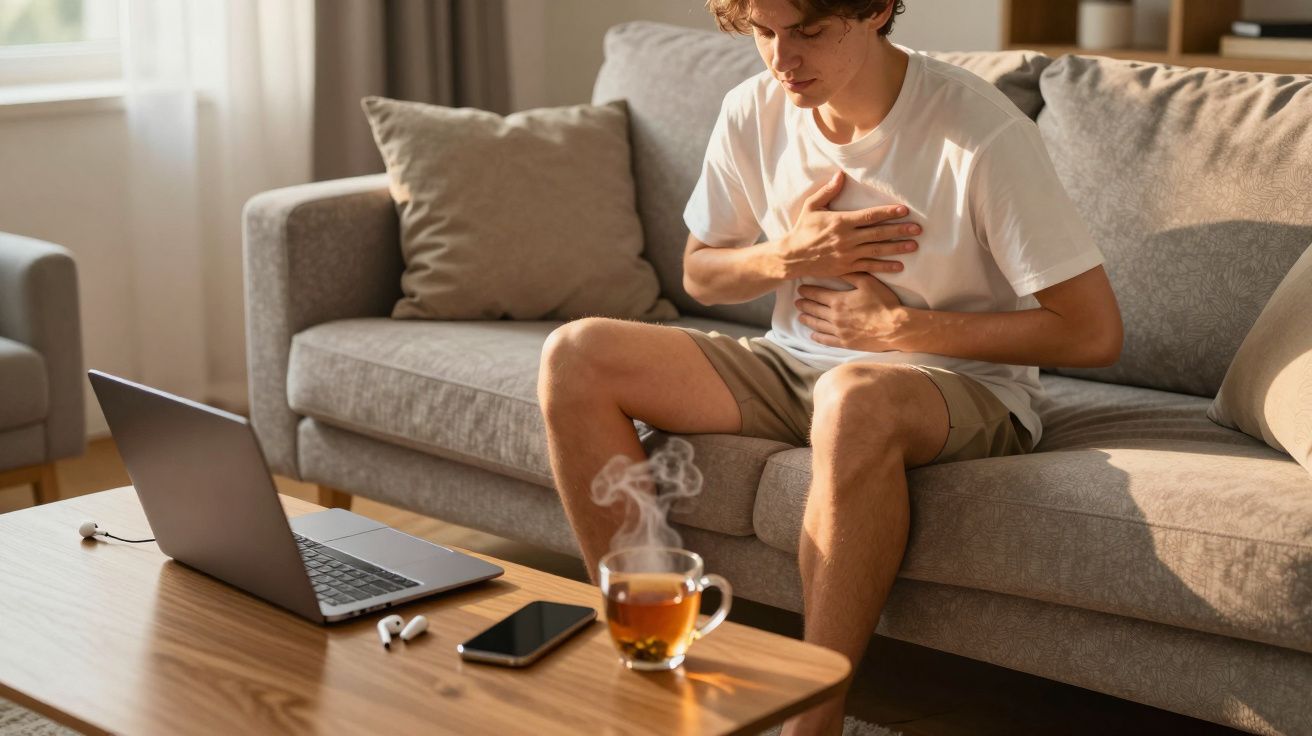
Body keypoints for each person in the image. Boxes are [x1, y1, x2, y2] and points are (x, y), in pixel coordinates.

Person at [538, 0, 1123, 732]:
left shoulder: (977, 129)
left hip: (959, 386)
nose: (783, 58)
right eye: (763, 33)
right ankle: (653, 652)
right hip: (793, 366)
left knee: (853, 395)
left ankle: (814, 719)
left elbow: (1093, 333)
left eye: (808, 31)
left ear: (876, 10)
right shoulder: (754, 108)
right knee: (576, 354)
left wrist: (903, 328)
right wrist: (785, 255)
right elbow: (701, 273)